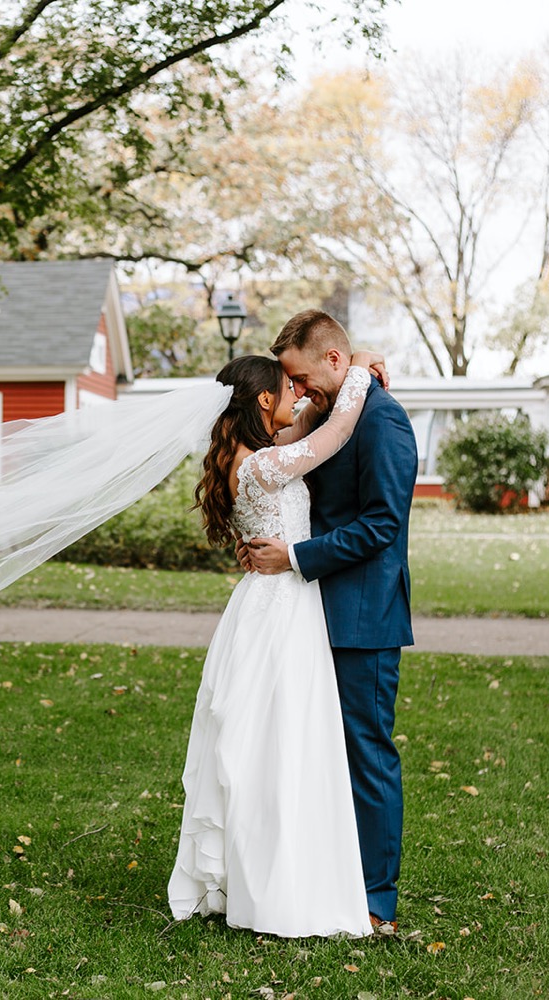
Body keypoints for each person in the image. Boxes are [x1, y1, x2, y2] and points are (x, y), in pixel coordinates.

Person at [168, 352, 379, 939]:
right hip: (283, 607)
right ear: (263, 401)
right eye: (289, 388)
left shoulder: (252, 458)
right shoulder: (264, 467)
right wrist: (358, 369)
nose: (298, 395)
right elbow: (335, 432)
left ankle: (262, 871)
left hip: (265, 604)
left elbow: (308, 423)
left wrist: (318, 393)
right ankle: (281, 884)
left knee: (266, 742)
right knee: (285, 742)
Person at [242, 309, 418, 934]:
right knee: (324, 755)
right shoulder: (339, 409)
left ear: (334, 361)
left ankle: (377, 902)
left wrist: (294, 557)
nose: (298, 390)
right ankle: (330, 879)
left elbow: (382, 526)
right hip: (314, 612)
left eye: (301, 376)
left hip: (362, 616)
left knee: (366, 755)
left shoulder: (384, 421)